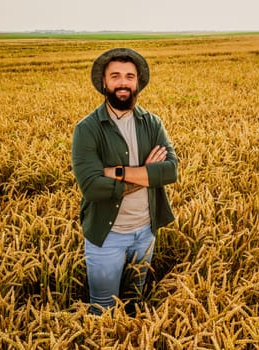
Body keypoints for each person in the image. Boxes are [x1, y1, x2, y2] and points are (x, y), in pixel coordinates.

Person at [71, 48, 178, 315]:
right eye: (115, 76)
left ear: (138, 82)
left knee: (134, 304)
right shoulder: (87, 129)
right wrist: (147, 174)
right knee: (103, 311)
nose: (123, 82)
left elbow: (170, 171)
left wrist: (117, 172)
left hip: (146, 233)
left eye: (130, 76)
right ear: (104, 82)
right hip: (107, 237)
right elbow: (93, 188)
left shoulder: (152, 123)